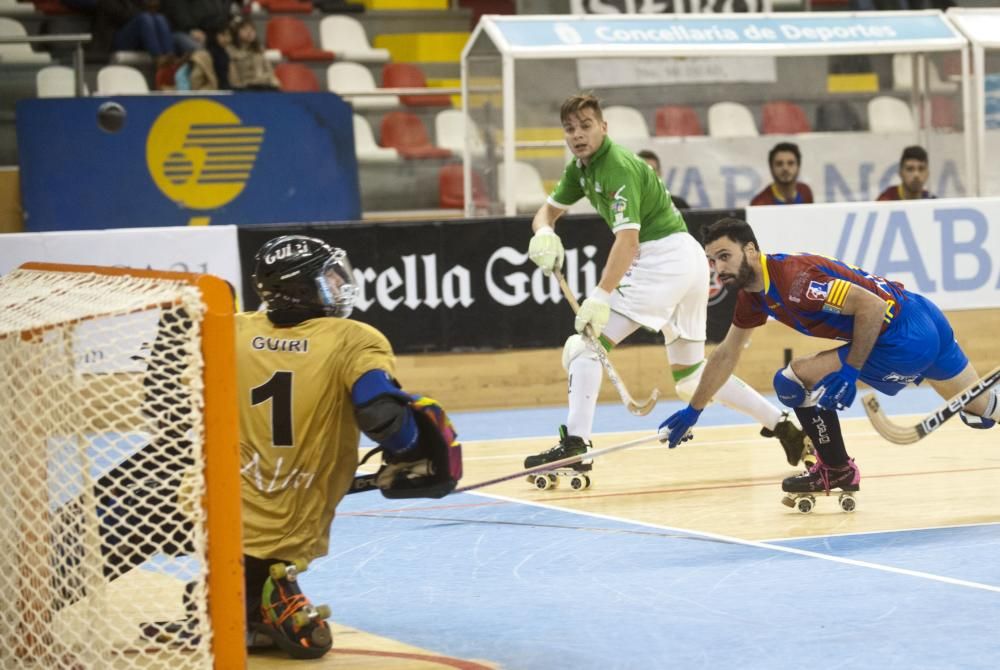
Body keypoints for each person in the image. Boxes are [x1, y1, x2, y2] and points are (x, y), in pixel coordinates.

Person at [523, 93, 808, 474]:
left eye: (586, 126)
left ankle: (576, 447)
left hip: (664, 260)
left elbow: (627, 242)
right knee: (691, 379)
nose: (578, 135)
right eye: (570, 129)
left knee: (584, 345)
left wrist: (601, 296)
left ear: (603, 128)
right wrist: (544, 231)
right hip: (686, 259)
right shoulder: (581, 169)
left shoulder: (617, 167)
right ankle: (783, 426)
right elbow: (547, 211)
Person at [658, 217, 999, 501]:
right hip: (924, 315)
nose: (718, 269)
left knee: (791, 381)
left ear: (749, 250)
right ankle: (835, 466)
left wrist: (851, 370)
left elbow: (872, 307)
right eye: (712, 261)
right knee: (981, 406)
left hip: (900, 337)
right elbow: (726, 354)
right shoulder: (755, 295)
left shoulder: (796, 281)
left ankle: (836, 470)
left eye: (724, 256)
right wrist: (695, 409)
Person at [237, 235, 462, 658]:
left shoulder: (232, 329)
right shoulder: (353, 338)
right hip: (288, 517)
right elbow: (381, 415)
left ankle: (231, 598)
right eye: (331, 278)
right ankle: (262, 595)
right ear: (303, 288)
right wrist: (413, 450)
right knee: (310, 646)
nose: (340, 285)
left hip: (215, 510)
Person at [749, 142, 814, 206]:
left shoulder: (805, 192)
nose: (785, 168)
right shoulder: (760, 203)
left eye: (790, 163)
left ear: (798, 167)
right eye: (779, 164)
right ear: (771, 168)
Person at [226, 17, 280, 91]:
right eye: (245, 29)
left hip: (263, 87)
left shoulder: (259, 51)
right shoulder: (230, 52)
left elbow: (270, 72)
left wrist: (271, 80)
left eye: (252, 29)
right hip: (244, 89)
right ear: (236, 32)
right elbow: (234, 81)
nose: (249, 32)